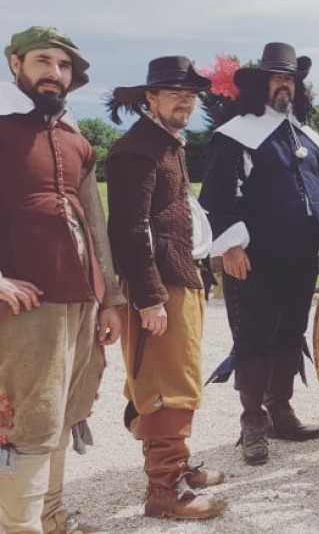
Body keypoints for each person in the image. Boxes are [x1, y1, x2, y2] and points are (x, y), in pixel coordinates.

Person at [0, 26, 125, 533]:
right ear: (16, 64)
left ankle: (51, 517)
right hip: (26, 306)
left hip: (82, 300)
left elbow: (95, 222)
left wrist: (110, 298)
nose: (55, 73)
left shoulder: (78, 141)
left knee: (62, 410)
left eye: (64, 65)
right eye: (43, 61)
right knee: (28, 418)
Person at [199, 42, 319, 465]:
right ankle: (253, 423)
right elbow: (217, 197)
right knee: (254, 339)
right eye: (277, 78)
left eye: (290, 79)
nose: (285, 85)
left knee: (289, 334)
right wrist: (231, 246)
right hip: (254, 259)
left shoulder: (309, 139)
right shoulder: (236, 136)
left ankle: (281, 411)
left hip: (300, 257)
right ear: (261, 85)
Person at [105, 56, 227, 519]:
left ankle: (175, 466)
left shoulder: (165, 142)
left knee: (178, 375)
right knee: (165, 382)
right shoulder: (136, 150)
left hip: (180, 274)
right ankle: (164, 490)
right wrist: (150, 296)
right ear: (150, 97)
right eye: (175, 93)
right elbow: (130, 229)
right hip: (160, 283)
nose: (185, 102)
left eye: (191, 95)